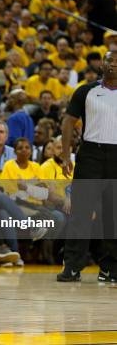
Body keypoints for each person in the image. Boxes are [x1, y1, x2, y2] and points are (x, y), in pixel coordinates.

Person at [57, 51, 117, 283]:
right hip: (91, 154)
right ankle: (72, 266)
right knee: (81, 213)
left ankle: (110, 269)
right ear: (102, 64)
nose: (113, 64)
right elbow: (68, 123)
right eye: (110, 60)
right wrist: (65, 156)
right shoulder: (86, 91)